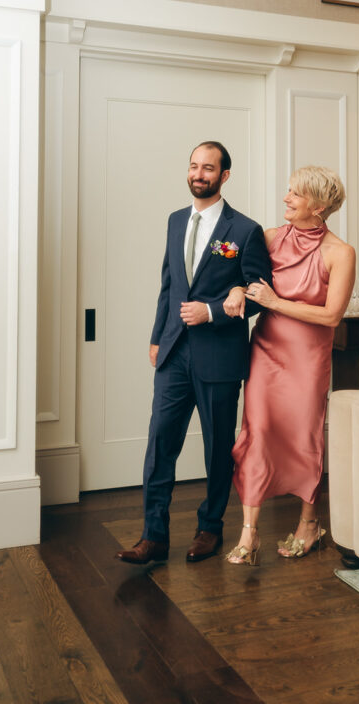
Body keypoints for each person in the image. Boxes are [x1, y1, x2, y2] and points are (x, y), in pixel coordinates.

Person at [117, 141, 272, 566]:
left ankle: (210, 529)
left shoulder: (245, 231)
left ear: (224, 176)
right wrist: (156, 337)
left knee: (217, 448)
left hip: (219, 357)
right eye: (193, 166)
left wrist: (212, 311)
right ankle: (154, 537)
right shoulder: (173, 221)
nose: (198, 173)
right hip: (173, 353)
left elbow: (259, 295)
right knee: (160, 445)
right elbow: (169, 287)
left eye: (208, 168)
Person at [225, 166, 356, 565]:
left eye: (295, 194)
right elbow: (231, 264)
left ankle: (309, 523)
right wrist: (235, 286)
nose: (286, 198)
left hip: (308, 358)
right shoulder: (266, 238)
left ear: (317, 207)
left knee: (304, 436)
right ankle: (249, 534)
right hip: (266, 351)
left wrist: (274, 303)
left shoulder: (340, 253)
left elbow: (332, 316)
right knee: (258, 431)